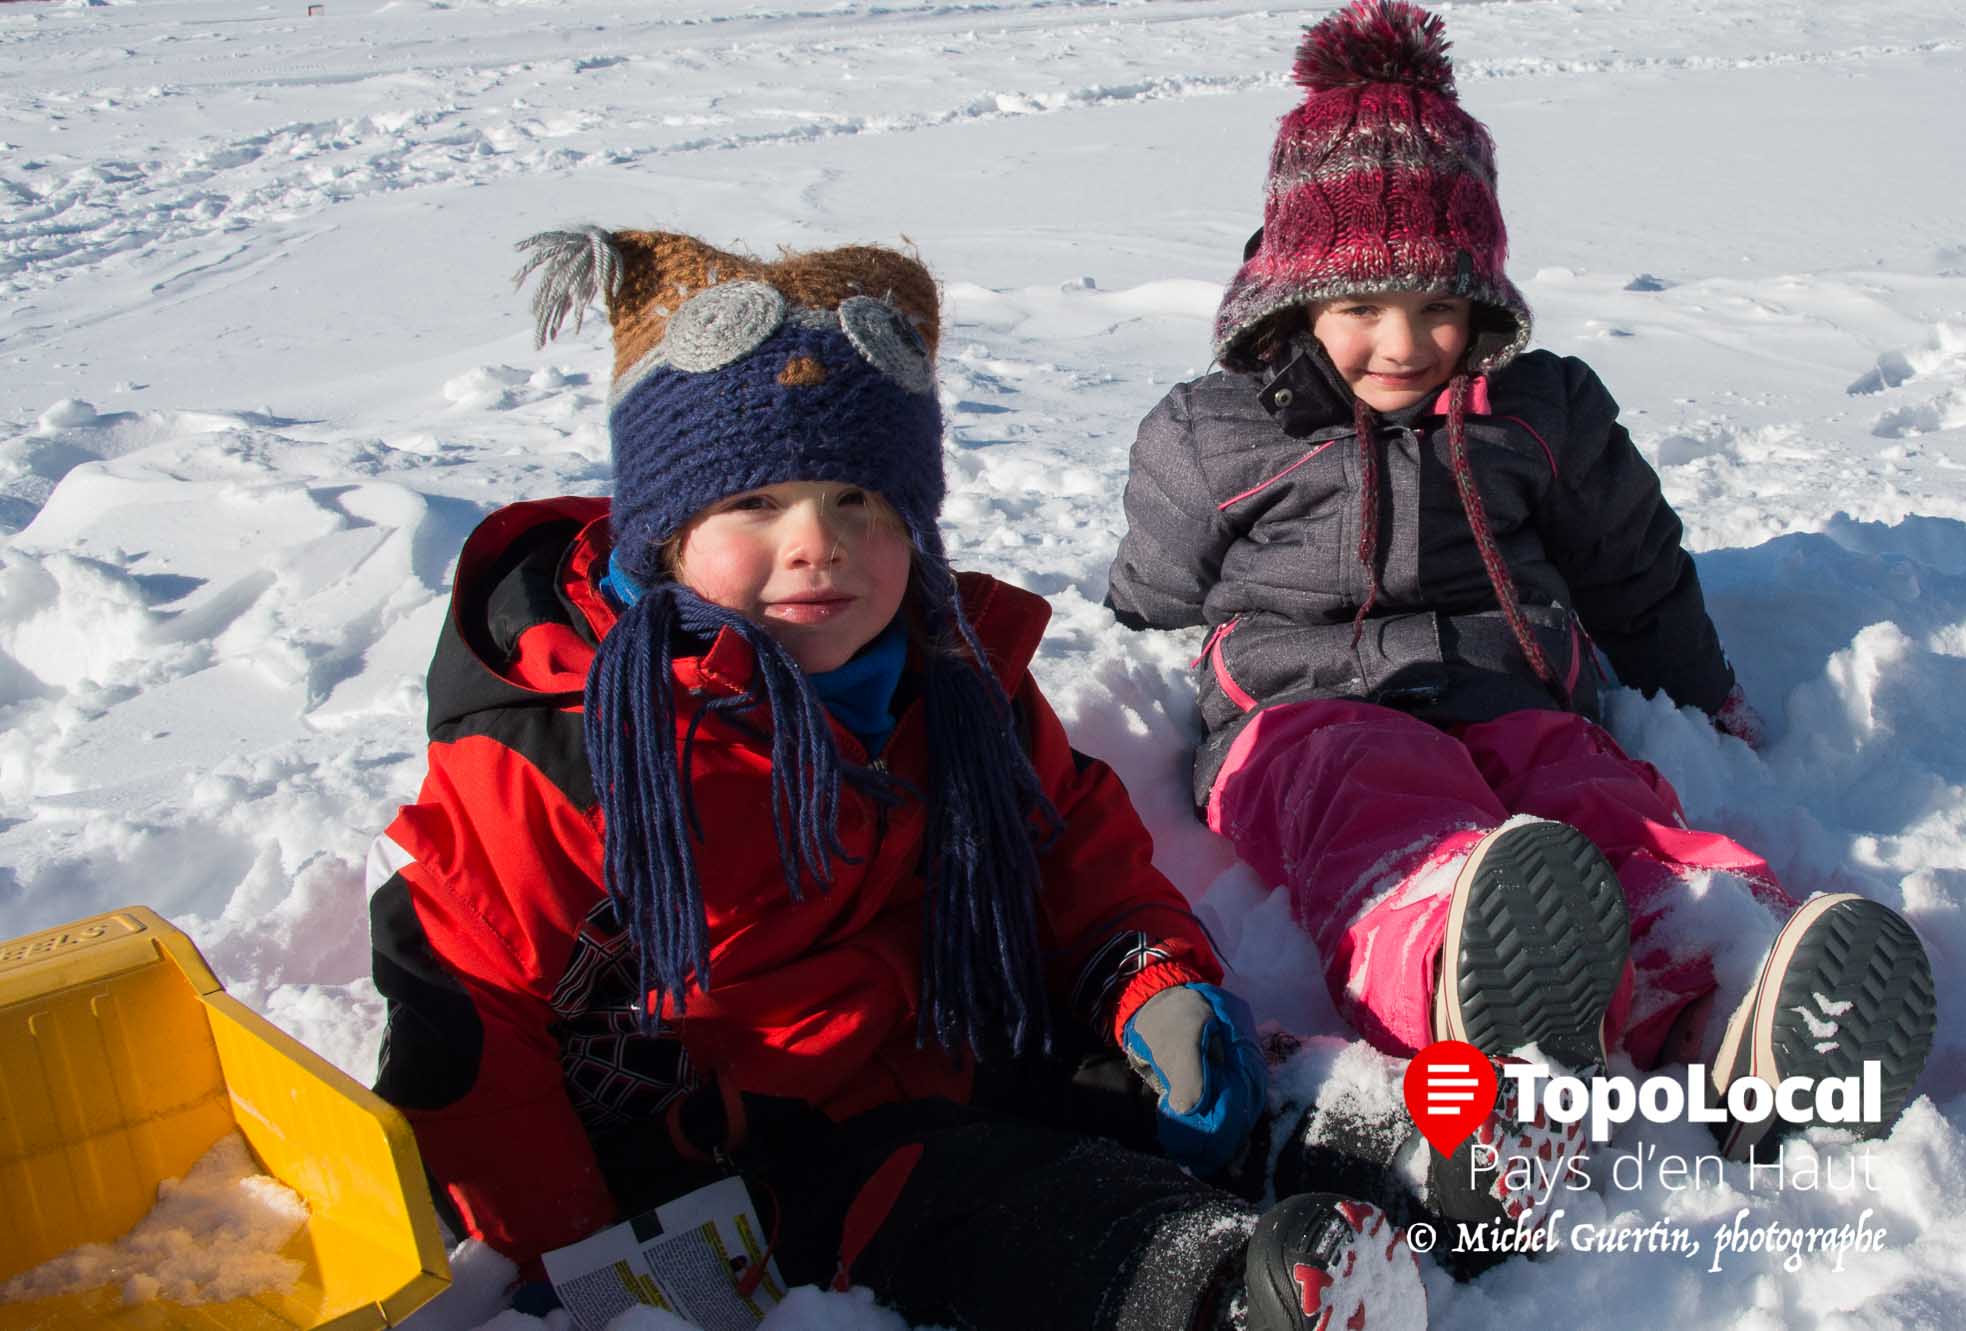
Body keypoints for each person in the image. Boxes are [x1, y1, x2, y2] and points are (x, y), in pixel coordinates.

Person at [364, 226, 1434, 1331]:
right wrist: (575, 1255)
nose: (817, 543)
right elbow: (469, 1011)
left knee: (1166, 1077)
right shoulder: (576, 750)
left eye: (859, 502)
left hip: (965, 1028)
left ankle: (1408, 1150)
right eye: (754, 503)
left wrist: (1146, 975)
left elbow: (1064, 832)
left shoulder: (951, 673)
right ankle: (1213, 1288)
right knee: (1002, 1206)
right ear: (665, 532)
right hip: (767, 1150)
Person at [1106, 0, 1937, 1167]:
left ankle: (1731, 988)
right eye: (1359, 309)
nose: (1401, 345)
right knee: (1372, 793)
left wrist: (1694, 691)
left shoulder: (1535, 411)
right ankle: (1453, 961)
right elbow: (1152, 582)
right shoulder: (1215, 430)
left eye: (1438, 309)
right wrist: (1134, 634)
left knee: (1607, 801)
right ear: (1293, 294)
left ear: (1483, 300)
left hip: (1511, 696)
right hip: (1299, 717)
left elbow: (1631, 570)